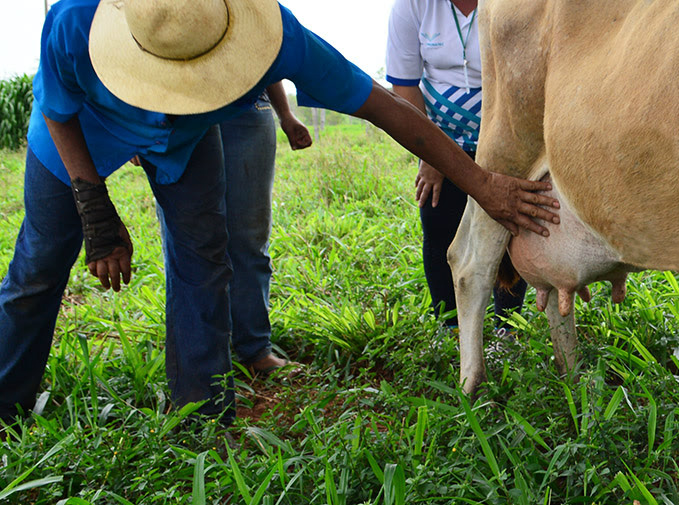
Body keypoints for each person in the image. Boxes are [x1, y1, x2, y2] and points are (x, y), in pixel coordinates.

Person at [0, 0, 559, 427]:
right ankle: (6, 403)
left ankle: (200, 412)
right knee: (40, 264)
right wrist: (94, 208)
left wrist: (483, 184)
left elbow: (388, 110)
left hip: (187, 141)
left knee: (205, 259)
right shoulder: (75, 20)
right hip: (81, 136)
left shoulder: (274, 35)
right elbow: (56, 109)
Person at [152, 82, 312, 378]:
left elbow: (264, 48)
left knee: (249, 238)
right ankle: (199, 359)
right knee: (186, 244)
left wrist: (285, 113)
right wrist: (139, 125)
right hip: (175, 109)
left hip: (247, 107)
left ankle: (255, 349)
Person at [386, 0, 528, 331]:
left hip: (507, 136)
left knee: (510, 227)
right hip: (441, 142)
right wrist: (431, 156)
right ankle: (449, 328)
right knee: (439, 227)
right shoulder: (412, 5)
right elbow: (405, 85)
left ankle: (507, 330)